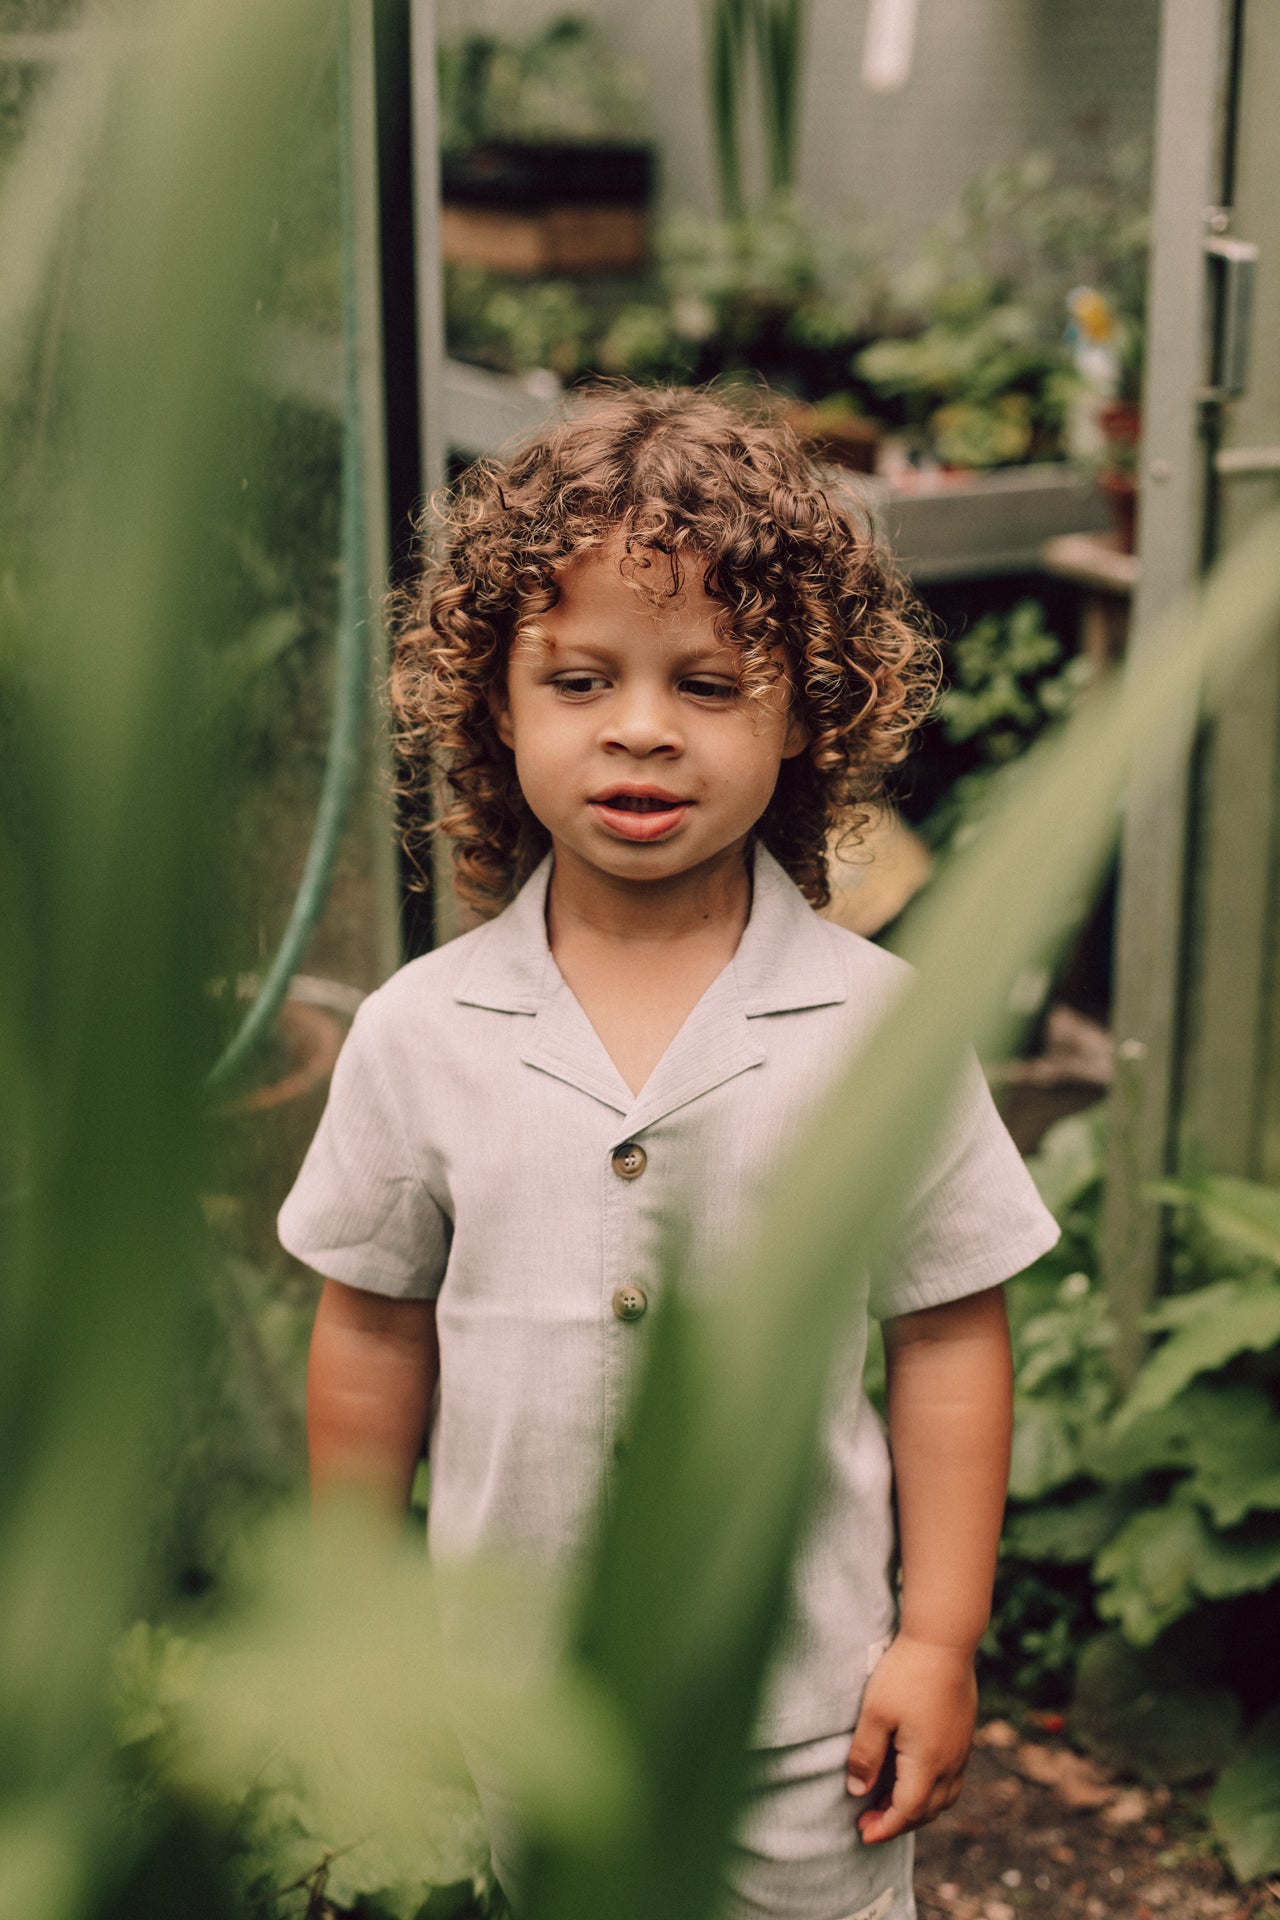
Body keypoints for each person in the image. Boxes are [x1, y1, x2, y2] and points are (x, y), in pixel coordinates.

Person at [279, 386, 1059, 1920]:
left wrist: (939, 1638)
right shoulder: (418, 1032)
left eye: (710, 681)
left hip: (801, 1722)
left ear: (805, 713)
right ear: (499, 703)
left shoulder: (883, 1030)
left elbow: (950, 1332)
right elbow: (370, 1332)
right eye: (582, 678)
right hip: (509, 1712)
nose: (642, 726)